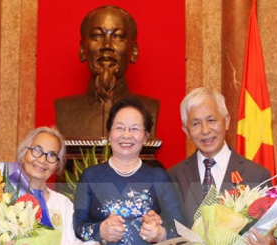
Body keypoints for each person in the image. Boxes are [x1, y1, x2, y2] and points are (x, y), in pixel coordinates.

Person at [167, 87, 277, 245]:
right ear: (186, 130)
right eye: (196, 123)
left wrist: (272, 243)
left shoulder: (257, 176)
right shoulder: (172, 177)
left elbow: (275, 234)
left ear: (226, 121)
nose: (205, 130)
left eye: (211, 120)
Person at [73, 97, 184, 244]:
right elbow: (77, 228)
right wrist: (100, 231)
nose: (126, 135)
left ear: (146, 137)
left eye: (134, 129)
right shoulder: (91, 176)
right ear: (109, 134)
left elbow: (181, 228)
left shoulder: (158, 177)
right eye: (119, 127)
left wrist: (161, 234)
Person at [54, 5, 160, 138]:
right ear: (82, 49)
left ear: (133, 51)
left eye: (118, 37)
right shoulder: (64, 110)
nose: (107, 46)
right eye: (97, 36)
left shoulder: (149, 108)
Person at [16, 127, 97, 245]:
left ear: (57, 165)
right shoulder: (1, 197)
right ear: (24, 154)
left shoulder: (63, 205)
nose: (43, 160)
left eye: (51, 155)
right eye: (37, 149)